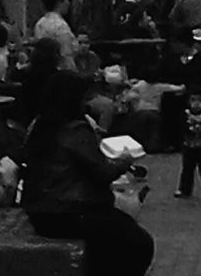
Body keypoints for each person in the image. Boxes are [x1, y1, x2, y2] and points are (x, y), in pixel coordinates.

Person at [21, 71, 154, 276]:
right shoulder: (74, 130)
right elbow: (102, 172)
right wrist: (124, 161)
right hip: (71, 211)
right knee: (139, 243)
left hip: (41, 211)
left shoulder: (40, 126)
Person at [174, 89, 201, 199]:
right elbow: (180, 128)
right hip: (189, 146)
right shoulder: (185, 114)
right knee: (187, 170)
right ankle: (185, 189)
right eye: (193, 100)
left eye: (200, 101)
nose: (196, 104)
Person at [33, 0, 79, 70]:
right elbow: (66, 54)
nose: (68, 3)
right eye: (66, 0)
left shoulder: (39, 24)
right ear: (59, 2)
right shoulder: (60, 26)